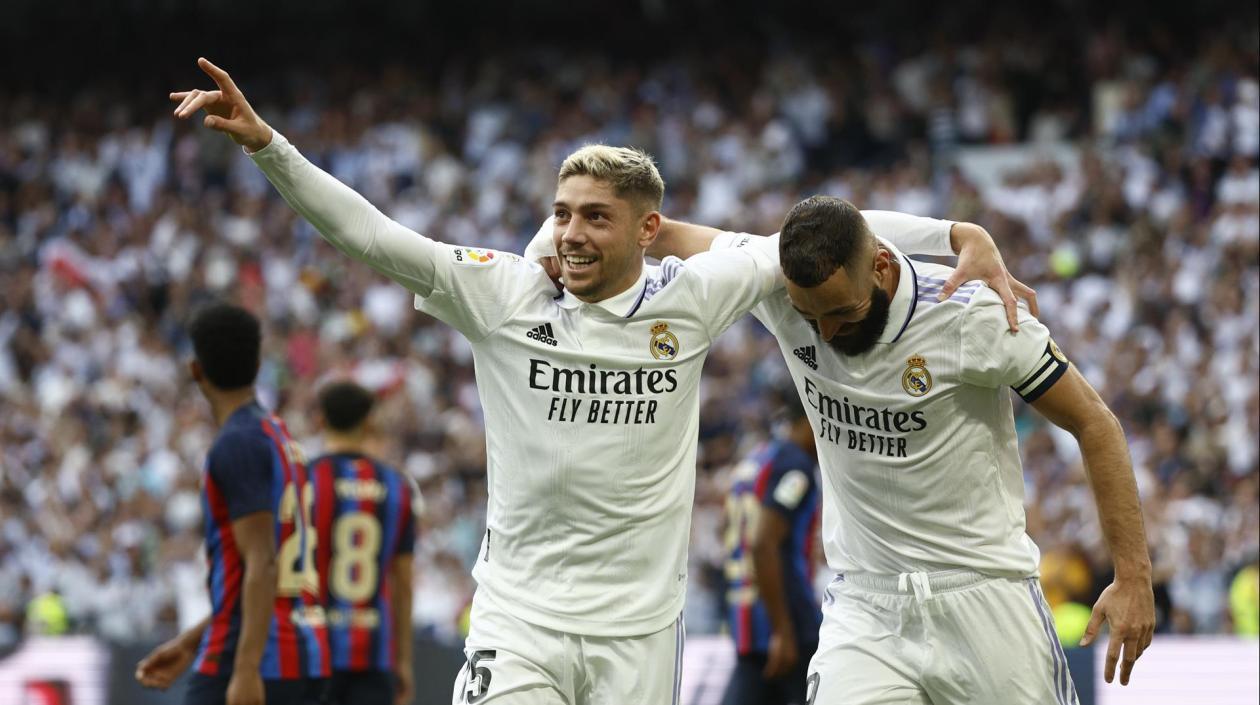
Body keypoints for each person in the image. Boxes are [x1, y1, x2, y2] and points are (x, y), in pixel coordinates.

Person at [169, 58, 1021, 705]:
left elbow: (816, 235)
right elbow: (373, 235)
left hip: (638, 636)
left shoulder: (694, 299)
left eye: (594, 217)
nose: (568, 233)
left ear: (649, 229)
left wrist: (953, 232)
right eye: (561, 213)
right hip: (519, 619)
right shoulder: (501, 292)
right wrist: (269, 147)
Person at [643, 196, 1156, 704]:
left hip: (984, 596)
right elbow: (668, 234)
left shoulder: (969, 313)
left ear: (882, 267)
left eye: (842, 311)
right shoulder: (780, 286)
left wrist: (1132, 576)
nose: (825, 331)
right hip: (866, 607)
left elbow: (1095, 423)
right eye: (809, 316)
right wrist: (569, 234)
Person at [134, 302, 329, 705]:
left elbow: (262, 562)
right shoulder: (278, 435)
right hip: (299, 651)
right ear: (258, 364)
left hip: (251, 660)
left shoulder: (237, 442)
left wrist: (245, 670)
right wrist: (190, 643)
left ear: (195, 370)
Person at [308, 381, 418, 705]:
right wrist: (404, 662)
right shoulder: (397, 487)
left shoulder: (305, 480)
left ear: (321, 420)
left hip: (313, 651)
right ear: (370, 421)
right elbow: (403, 581)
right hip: (375, 652)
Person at [721, 390, 820, 705]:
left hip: (747, 612)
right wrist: (782, 628)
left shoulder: (757, 457)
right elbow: (763, 543)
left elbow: (728, 529)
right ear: (809, 419)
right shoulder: (794, 465)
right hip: (784, 618)